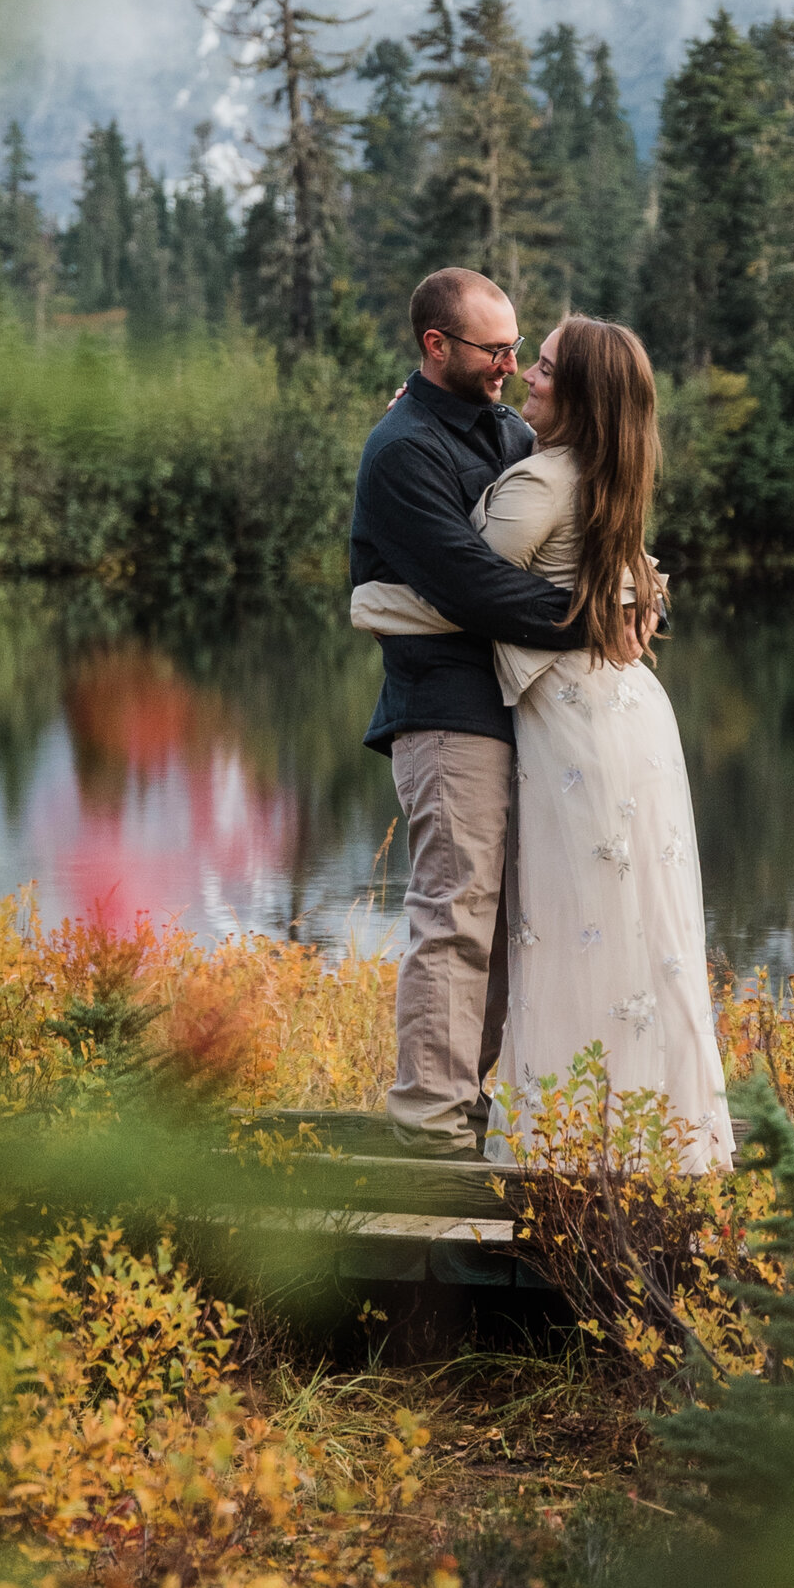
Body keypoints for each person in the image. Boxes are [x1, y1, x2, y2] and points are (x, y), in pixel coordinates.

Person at [352, 313, 733, 1172]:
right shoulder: (599, 466)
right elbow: (617, 577)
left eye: (546, 366)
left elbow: (470, 591)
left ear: (583, 395)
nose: (525, 374)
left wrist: (371, 603)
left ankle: (539, 1125)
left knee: (561, 923)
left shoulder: (541, 475)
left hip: (573, 721)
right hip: (625, 715)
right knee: (620, 926)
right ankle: (639, 1125)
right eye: (515, 355)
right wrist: (412, 414)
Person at [349, 267, 592, 1152]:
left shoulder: (509, 427)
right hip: (447, 711)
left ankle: (465, 1109)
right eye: (496, 350)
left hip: (517, 709)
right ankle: (430, 1124)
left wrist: (627, 591)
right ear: (435, 346)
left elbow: (560, 542)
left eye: (519, 347)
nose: (512, 363)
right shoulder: (404, 449)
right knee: (454, 914)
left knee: (500, 919)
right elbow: (478, 588)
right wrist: (594, 619)